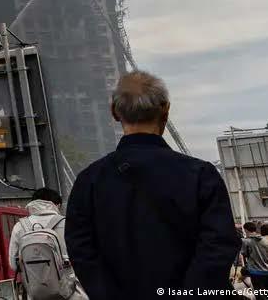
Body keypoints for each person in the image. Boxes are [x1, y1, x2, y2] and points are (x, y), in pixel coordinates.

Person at [65, 71, 241, 299]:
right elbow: (219, 245)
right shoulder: (201, 175)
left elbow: (81, 251)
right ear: (165, 110)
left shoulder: (88, 181)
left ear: (114, 112)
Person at [8, 188, 86, 299]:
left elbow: (13, 264)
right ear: (57, 205)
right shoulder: (68, 224)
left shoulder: (19, 227)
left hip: (37, 294)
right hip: (72, 293)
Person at [243, 222, 268, 298]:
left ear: (246, 230)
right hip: (266, 271)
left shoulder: (247, 241)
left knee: (259, 294)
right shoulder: (264, 240)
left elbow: (244, 254)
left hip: (255, 272)